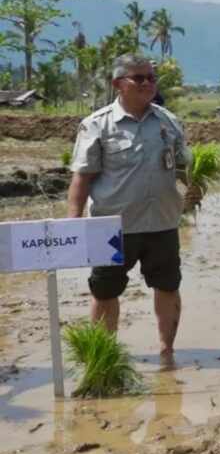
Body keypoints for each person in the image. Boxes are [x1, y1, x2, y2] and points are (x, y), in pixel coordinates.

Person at [66, 53, 192, 359]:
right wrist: (73, 226)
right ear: (118, 84)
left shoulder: (168, 121)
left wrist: (189, 196)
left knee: (167, 287)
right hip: (112, 228)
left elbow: (183, 168)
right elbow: (82, 179)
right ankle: (103, 355)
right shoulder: (97, 125)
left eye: (151, 77)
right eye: (139, 78)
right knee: (105, 291)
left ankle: (167, 351)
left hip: (161, 223)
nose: (148, 83)